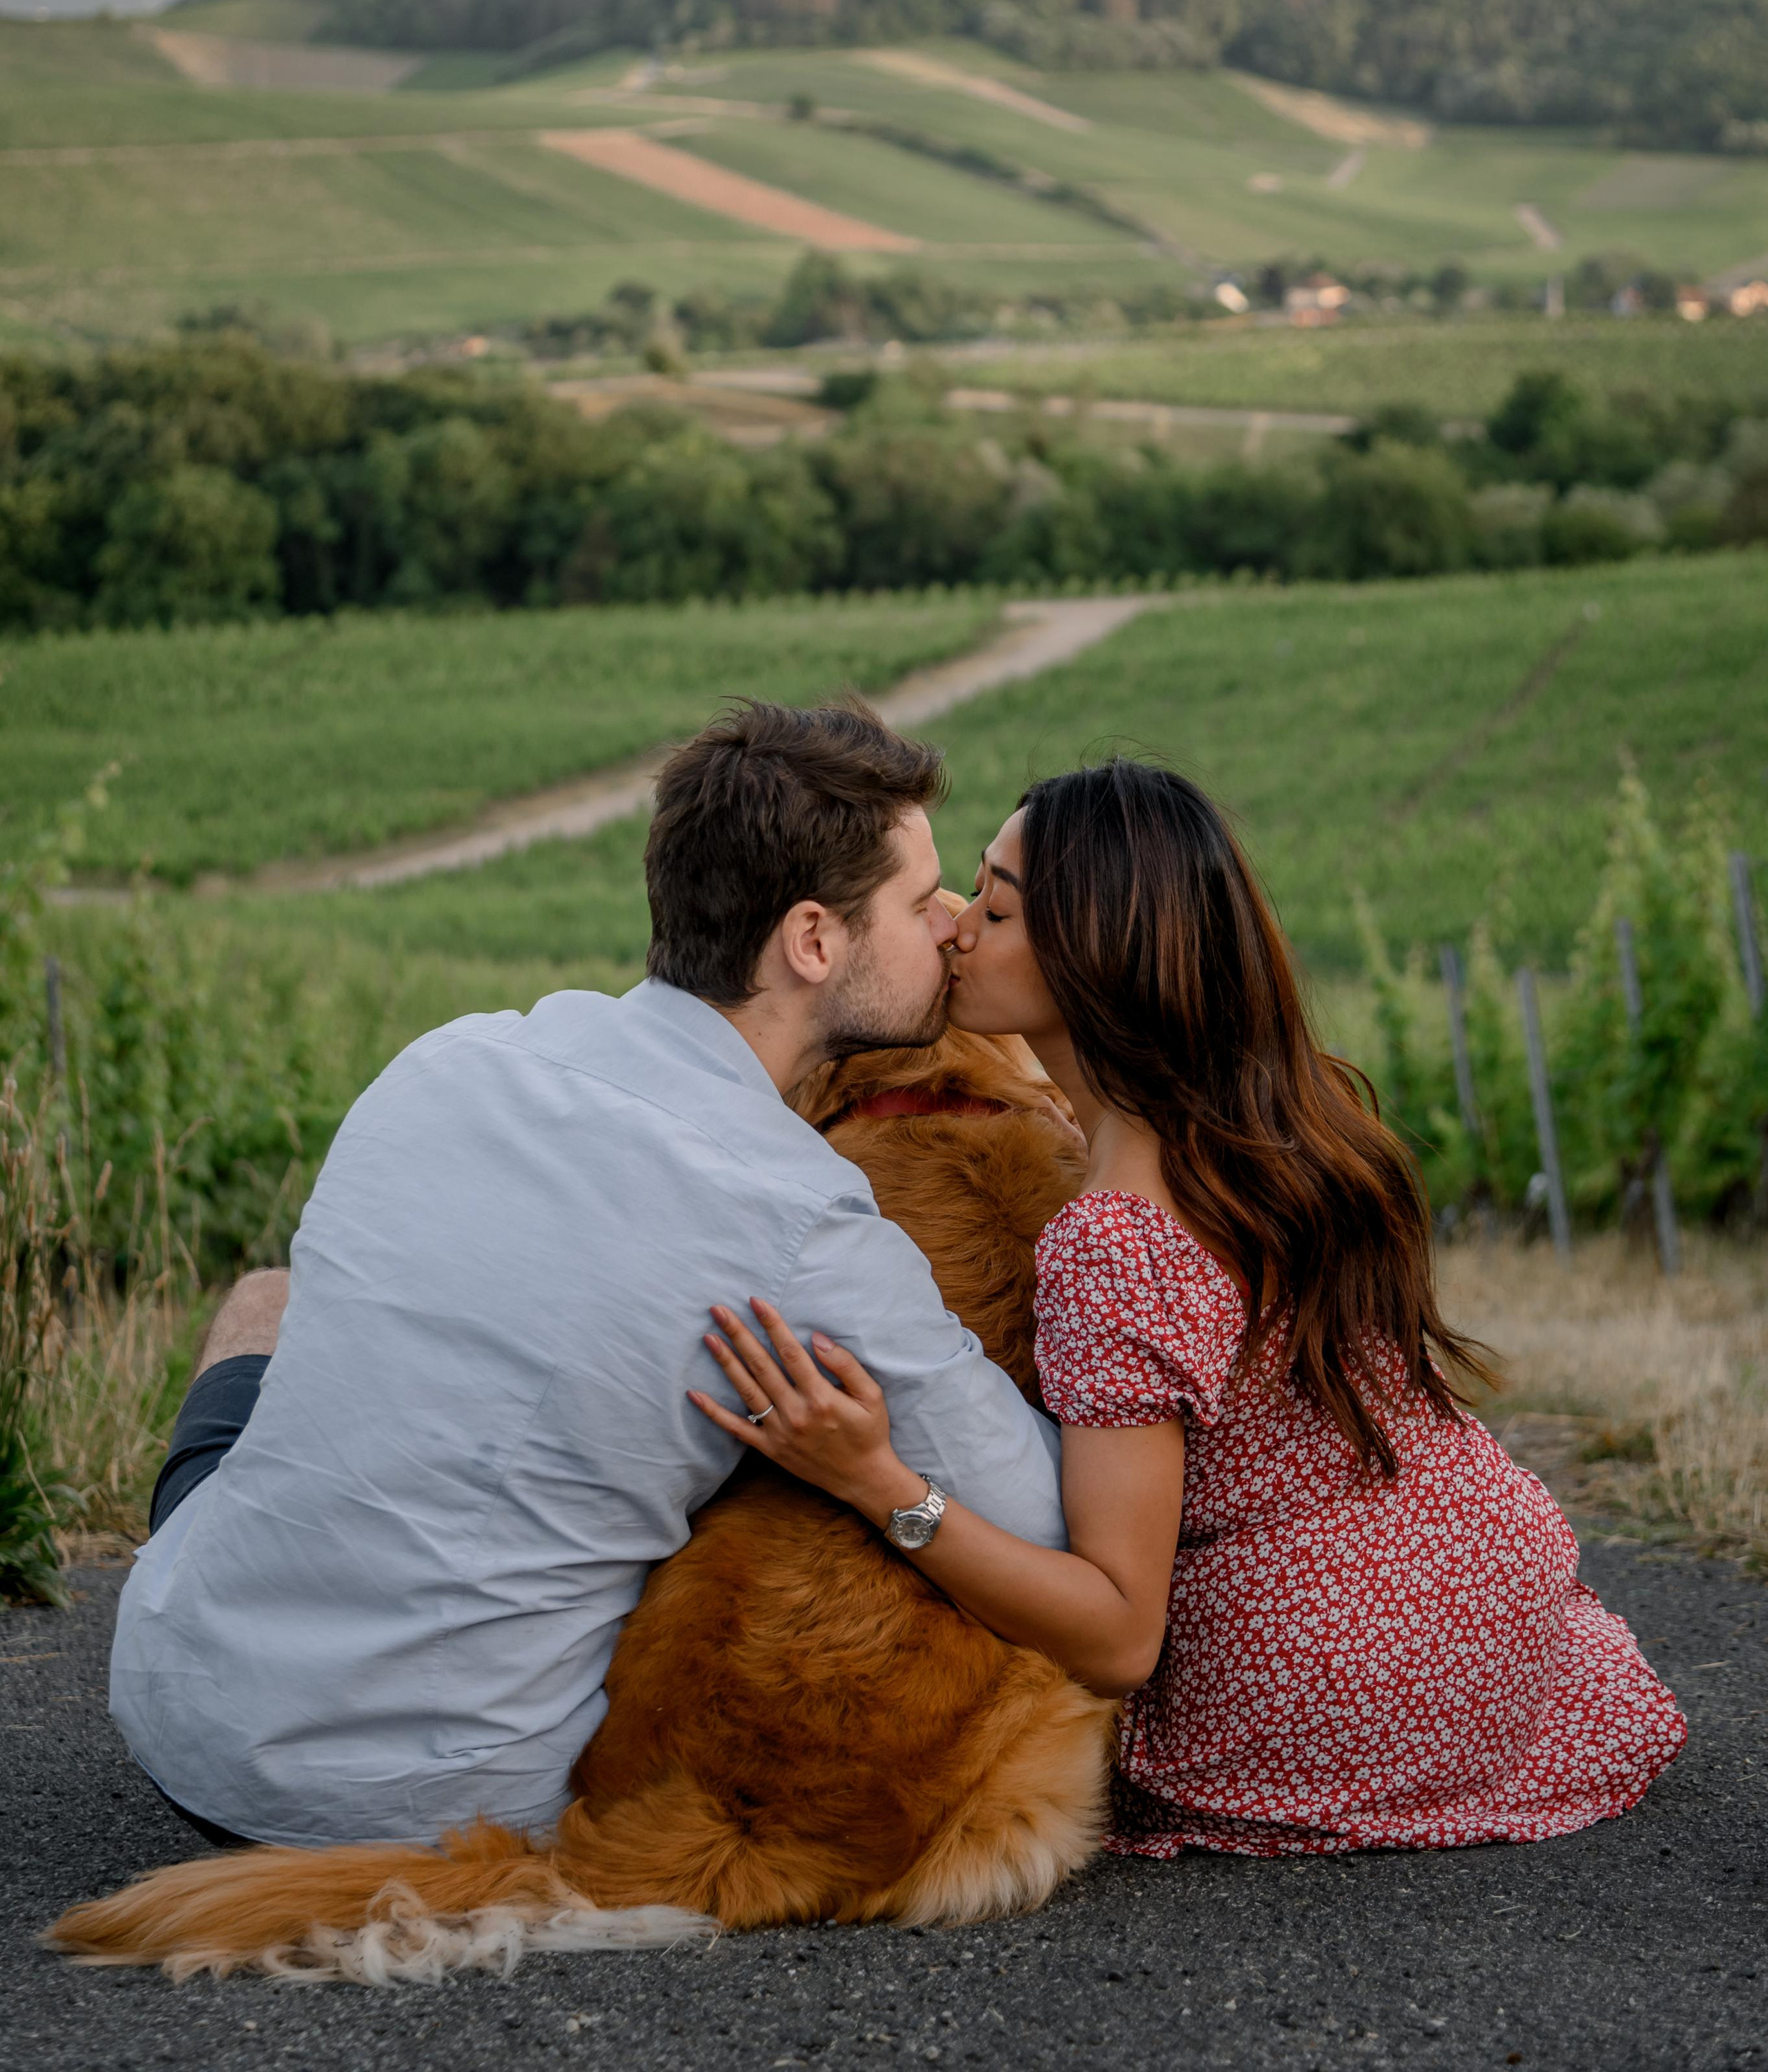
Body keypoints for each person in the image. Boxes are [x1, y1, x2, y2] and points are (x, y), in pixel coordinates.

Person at [109, 702, 1066, 1852]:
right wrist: (875, 1470)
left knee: (266, 1301)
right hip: (428, 1809)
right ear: (814, 942)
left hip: (181, 1712)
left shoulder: (448, 1058)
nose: (955, 925)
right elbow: (1036, 1511)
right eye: (922, 903)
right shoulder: (797, 1215)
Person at [693, 757, 1688, 1859]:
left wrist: (881, 1484)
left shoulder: (1111, 1238)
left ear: (1094, 959)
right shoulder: (1289, 1127)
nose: (957, 930)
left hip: (1331, 1688)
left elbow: (1119, 1638)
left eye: (998, 907)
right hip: (1507, 1610)